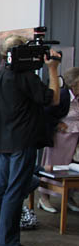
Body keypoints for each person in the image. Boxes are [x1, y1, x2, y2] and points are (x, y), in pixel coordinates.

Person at [0, 35, 61, 246]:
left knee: (0, 188)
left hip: (3, 141)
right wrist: (53, 69)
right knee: (15, 190)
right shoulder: (26, 77)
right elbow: (54, 99)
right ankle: (7, 240)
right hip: (22, 141)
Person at [39, 67, 79, 212]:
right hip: (59, 139)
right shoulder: (63, 95)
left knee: (71, 170)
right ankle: (44, 198)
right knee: (52, 167)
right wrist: (57, 124)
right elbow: (45, 113)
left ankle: (68, 197)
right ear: (74, 83)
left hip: (74, 139)